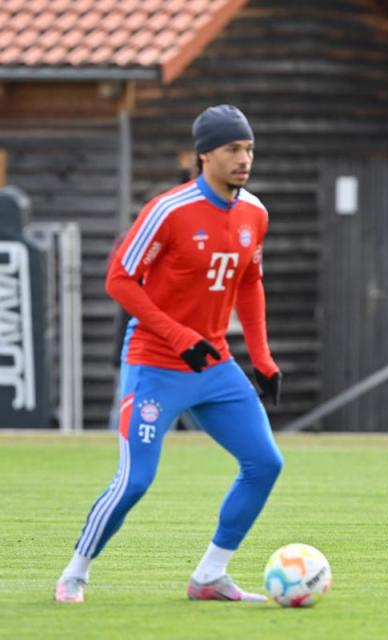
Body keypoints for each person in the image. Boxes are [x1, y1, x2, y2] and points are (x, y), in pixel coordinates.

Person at [55, 105, 283, 602]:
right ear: (205, 155)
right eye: (233, 149)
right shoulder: (168, 211)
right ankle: (75, 570)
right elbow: (119, 280)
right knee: (135, 480)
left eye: (249, 148)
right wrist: (180, 338)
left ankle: (209, 576)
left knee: (265, 463)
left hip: (215, 365)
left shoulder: (255, 214)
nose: (244, 158)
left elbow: (250, 283)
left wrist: (262, 359)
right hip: (155, 364)